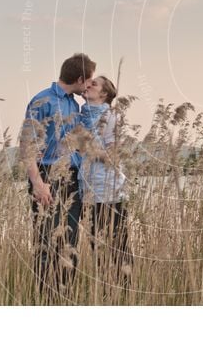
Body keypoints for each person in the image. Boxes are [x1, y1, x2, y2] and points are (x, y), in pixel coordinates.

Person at [20, 53, 97, 300]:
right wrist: (38, 184)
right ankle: (44, 300)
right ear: (79, 78)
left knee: (70, 243)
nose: (89, 86)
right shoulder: (42, 101)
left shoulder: (75, 104)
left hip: (72, 179)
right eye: (89, 81)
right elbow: (27, 147)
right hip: (47, 177)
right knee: (46, 244)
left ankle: (64, 298)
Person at [77, 76, 133, 279]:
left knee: (119, 247)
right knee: (97, 249)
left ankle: (126, 294)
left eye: (94, 84)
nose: (88, 84)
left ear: (104, 94)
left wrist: (87, 146)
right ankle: (106, 293)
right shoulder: (80, 115)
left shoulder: (110, 117)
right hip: (87, 192)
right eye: (88, 82)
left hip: (109, 191)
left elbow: (114, 157)